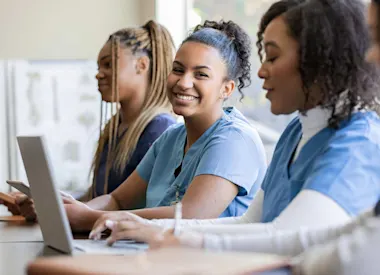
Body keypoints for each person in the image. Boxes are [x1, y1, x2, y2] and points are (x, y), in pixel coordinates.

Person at [91, 0, 380, 260]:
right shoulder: (296, 130)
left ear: (319, 59)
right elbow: (251, 223)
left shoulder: (358, 143)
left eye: (273, 57)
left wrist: (169, 235)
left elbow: (289, 238)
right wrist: (153, 228)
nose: (261, 71)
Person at [36, 20, 266, 232]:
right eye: (178, 69)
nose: (184, 82)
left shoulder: (235, 140)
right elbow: (118, 200)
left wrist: (90, 218)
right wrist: (73, 209)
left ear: (227, 89)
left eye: (201, 75)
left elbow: (191, 215)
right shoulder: (171, 138)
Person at [0, 20, 177, 219]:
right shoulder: (114, 127)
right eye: (99, 66)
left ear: (141, 65)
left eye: (108, 64)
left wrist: (56, 208)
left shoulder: (161, 129)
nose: (98, 74)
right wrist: (49, 203)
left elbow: (132, 204)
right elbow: (98, 196)